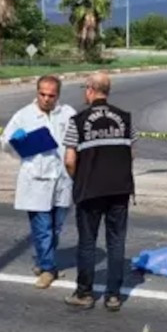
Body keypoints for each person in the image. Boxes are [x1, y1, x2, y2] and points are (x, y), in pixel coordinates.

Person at [62, 71, 136, 312]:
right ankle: (113, 296)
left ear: (90, 90)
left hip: (90, 190)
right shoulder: (125, 118)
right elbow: (131, 153)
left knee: (87, 243)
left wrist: (80, 178)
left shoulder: (78, 120)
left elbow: (70, 160)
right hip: (119, 190)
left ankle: (84, 293)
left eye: (85, 88)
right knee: (116, 242)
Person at [0, 75, 76, 290]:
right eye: (42, 94)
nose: (46, 99)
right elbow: (5, 142)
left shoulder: (68, 114)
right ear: (37, 92)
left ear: (58, 95)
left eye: (51, 95)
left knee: (56, 227)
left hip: (62, 180)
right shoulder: (24, 115)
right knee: (43, 228)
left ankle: (45, 261)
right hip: (36, 181)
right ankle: (47, 269)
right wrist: (15, 138)